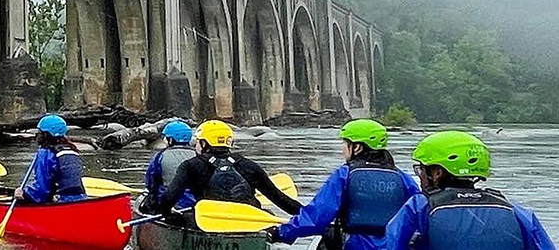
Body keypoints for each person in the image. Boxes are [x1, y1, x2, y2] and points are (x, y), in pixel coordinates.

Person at [382, 131, 553, 250]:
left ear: (436, 173)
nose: (419, 176)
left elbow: (393, 243)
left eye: (421, 170)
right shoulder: (513, 210)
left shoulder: (420, 206)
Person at [268, 119, 420, 249]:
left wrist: (280, 232)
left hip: (355, 245)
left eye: (345, 143)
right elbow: (420, 215)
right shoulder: (403, 178)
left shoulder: (344, 175)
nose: (343, 149)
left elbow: (317, 216)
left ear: (357, 147)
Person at [144, 120, 301, 218]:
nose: (196, 145)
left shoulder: (191, 166)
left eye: (198, 141)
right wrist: (309, 216)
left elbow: (168, 199)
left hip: (209, 220)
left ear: (204, 144)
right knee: (269, 215)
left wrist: (168, 216)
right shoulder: (249, 166)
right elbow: (280, 199)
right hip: (245, 220)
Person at [15, 114, 86, 204]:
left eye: (39, 132)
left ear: (46, 134)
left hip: (59, 201)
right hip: (81, 199)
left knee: (21, 201)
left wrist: (24, 194)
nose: (37, 135)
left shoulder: (45, 153)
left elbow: (41, 189)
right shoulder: (72, 150)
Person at [143, 120, 198, 214]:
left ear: (171, 140)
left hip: (168, 204)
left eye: (166, 137)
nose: (164, 139)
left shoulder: (160, 156)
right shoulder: (199, 156)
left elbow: (150, 182)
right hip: (195, 204)